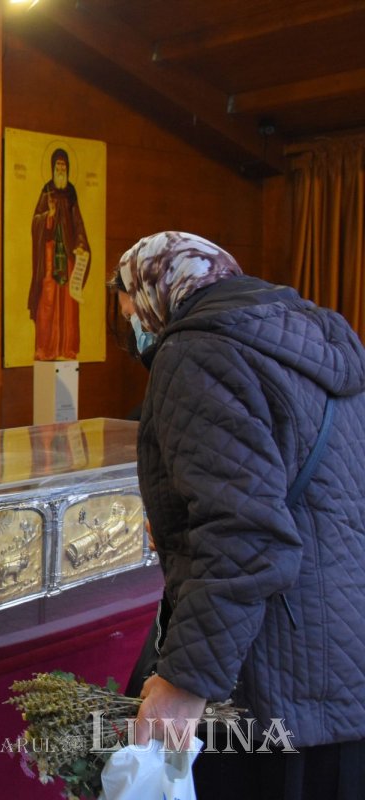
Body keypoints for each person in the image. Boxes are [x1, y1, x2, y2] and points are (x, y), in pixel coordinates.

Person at [117, 231, 365, 797]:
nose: (134, 330)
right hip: (344, 667)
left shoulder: (195, 353)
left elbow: (244, 536)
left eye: (131, 313)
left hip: (271, 677)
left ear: (160, 291)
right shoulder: (319, 342)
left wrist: (184, 681)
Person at [28, 148, 90, 361]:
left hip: (69, 256)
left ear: (68, 168)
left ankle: (67, 348)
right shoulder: (47, 191)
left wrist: (80, 244)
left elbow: (78, 222)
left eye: (64, 165)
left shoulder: (71, 193)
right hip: (50, 256)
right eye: (58, 165)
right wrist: (49, 216)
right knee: (47, 301)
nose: (61, 169)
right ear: (53, 168)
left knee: (68, 304)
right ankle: (46, 349)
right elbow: (35, 222)